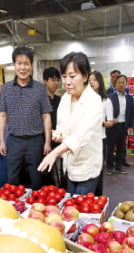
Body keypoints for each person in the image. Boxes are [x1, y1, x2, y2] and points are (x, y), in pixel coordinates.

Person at [38, 51, 103, 196]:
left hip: (87, 165)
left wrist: (54, 153)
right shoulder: (66, 99)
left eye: (72, 76)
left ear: (85, 76)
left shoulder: (94, 101)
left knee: (80, 208)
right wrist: (58, 134)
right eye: (64, 76)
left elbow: (81, 136)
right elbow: (62, 126)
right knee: (70, 203)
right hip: (69, 164)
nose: (67, 81)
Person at [0, 46, 52, 190]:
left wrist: (47, 142)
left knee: (37, 178)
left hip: (35, 141)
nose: (23, 67)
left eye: (26, 63)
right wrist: (2, 141)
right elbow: (3, 115)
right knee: (12, 179)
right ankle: (13, 210)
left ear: (31, 66)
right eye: (19, 63)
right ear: (14, 65)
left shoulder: (40, 88)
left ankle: (35, 207)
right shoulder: (6, 88)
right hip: (14, 141)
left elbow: (46, 116)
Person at [88, 71, 116, 194]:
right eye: (89, 80)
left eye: (94, 80)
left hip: (99, 139)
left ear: (99, 82)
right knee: (87, 171)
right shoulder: (84, 100)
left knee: (98, 171)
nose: (91, 82)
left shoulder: (105, 101)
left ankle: (98, 198)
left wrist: (100, 123)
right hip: (86, 140)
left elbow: (110, 122)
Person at [106, 74, 134, 174]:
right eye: (119, 83)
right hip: (113, 126)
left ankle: (119, 167)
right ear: (115, 84)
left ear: (126, 84)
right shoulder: (110, 97)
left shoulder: (129, 98)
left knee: (121, 148)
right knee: (110, 148)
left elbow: (131, 113)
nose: (121, 85)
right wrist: (110, 120)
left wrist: (131, 126)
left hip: (124, 126)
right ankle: (109, 167)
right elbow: (105, 112)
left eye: (123, 82)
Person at [42, 66, 63, 187]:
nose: (56, 83)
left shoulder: (60, 100)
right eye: (52, 80)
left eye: (57, 80)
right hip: (45, 141)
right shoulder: (40, 100)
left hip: (58, 139)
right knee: (47, 171)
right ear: (45, 81)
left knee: (59, 171)